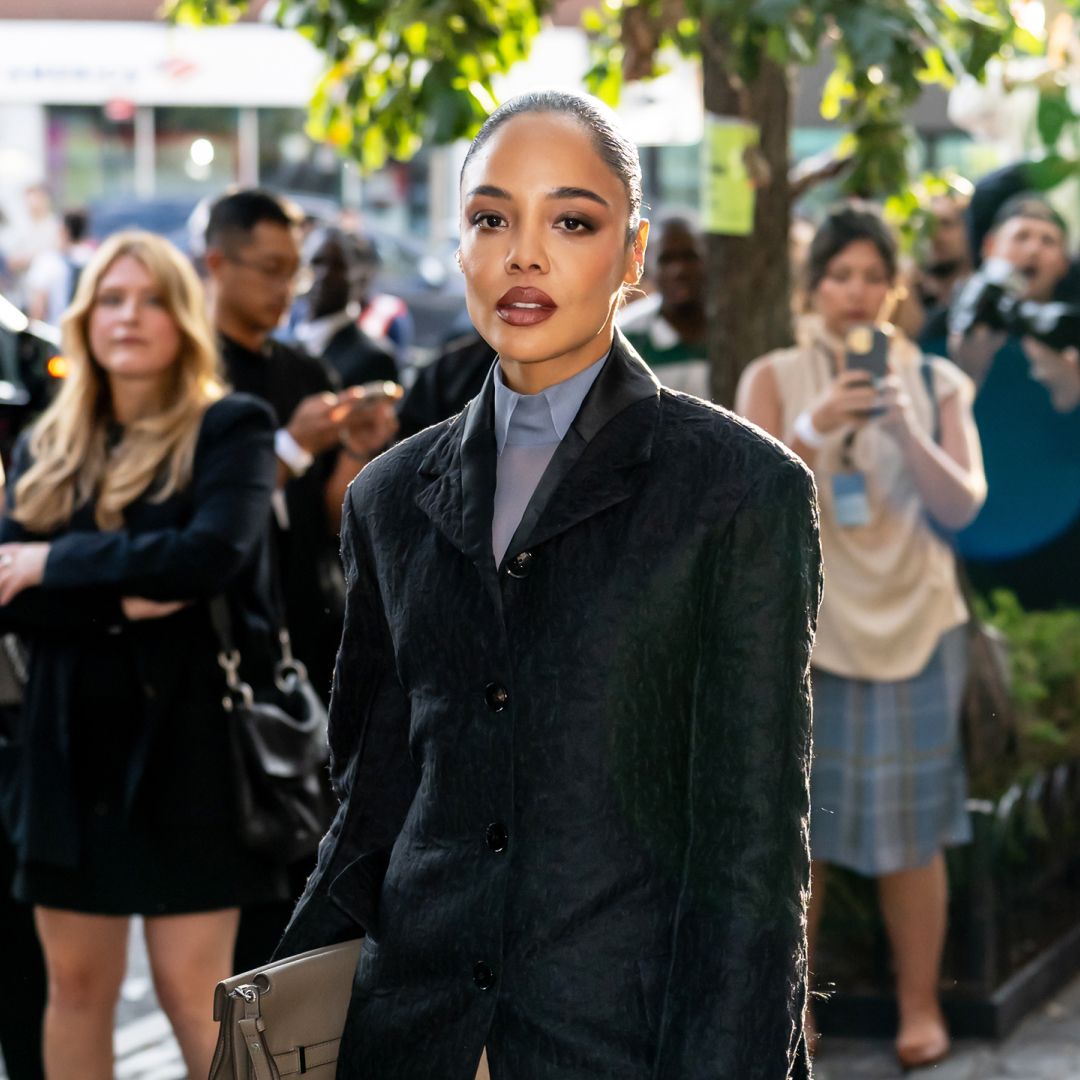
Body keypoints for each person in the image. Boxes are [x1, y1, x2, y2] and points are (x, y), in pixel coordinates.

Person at [276, 89, 822, 1079]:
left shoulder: (740, 490)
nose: (524, 255)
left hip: (627, 1042)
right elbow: (371, 805)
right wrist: (277, 1015)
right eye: (493, 219)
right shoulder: (390, 497)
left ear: (634, 253)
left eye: (571, 221)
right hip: (416, 1035)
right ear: (461, 247)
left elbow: (750, 852)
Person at [0, 230, 288, 1080]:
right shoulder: (48, 441)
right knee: (76, 986)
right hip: (64, 750)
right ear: (86, 317)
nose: (130, 316)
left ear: (184, 317)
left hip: (188, 748)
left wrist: (56, 564)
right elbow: (6, 594)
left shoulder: (231, 426)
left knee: (196, 994)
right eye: (112, 299)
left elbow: (210, 559)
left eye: (152, 299)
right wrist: (130, 589)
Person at [736, 205, 987, 1070]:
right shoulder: (774, 374)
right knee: (797, 835)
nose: (855, 292)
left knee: (915, 834)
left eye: (872, 277)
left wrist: (903, 424)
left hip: (917, 622)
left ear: (895, 289)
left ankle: (921, 1006)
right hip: (809, 631)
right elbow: (743, 503)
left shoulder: (938, 383)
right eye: (839, 275)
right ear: (814, 287)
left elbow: (962, 506)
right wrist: (814, 428)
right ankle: (790, 1015)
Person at [203, 188, 398, 974]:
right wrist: (286, 444)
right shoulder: (193, 373)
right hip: (217, 652)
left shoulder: (302, 368)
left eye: (294, 270)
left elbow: (329, 517)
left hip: (305, 642)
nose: (285, 288)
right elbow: (204, 522)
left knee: (303, 875)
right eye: (270, 269)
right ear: (217, 263)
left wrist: (359, 446)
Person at [936, 193, 1080, 609]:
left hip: (1057, 536)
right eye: (1021, 237)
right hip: (971, 532)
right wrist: (968, 371)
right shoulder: (950, 326)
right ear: (990, 248)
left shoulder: (1068, 332)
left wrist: (1069, 388)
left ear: (1063, 263)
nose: (1033, 248)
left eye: (1048, 240)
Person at [292, 225, 399, 388]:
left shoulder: (373, 358)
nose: (324, 274)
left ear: (358, 277)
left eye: (338, 266)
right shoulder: (282, 338)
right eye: (317, 262)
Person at [617, 215, 709, 398]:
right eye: (666, 260)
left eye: (689, 257)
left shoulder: (734, 328)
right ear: (647, 266)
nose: (679, 271)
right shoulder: (625, 335)